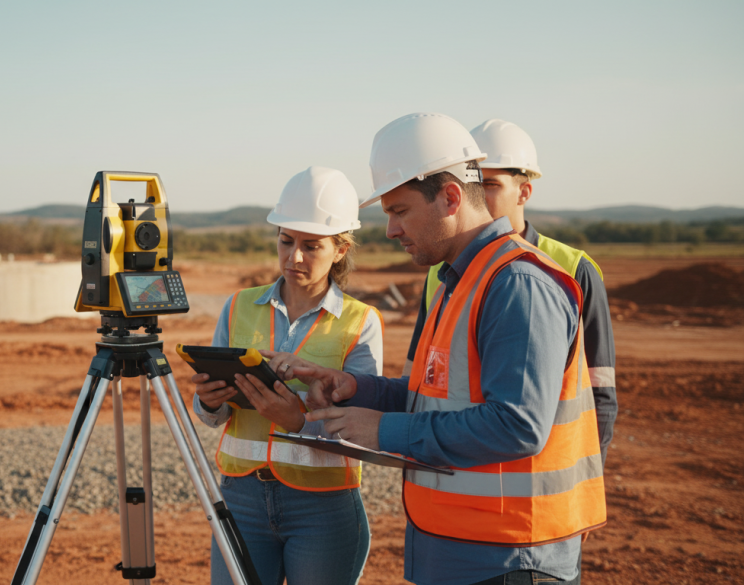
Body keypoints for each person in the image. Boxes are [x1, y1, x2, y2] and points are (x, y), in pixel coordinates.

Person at [295, 113, 606, 585]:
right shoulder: (456, 282)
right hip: (462, 551)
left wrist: (385, 430)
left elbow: (517, 426)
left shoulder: (515, 284)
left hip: (510, 559)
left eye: (399, 211)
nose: (390, 231)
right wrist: (357, 389)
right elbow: (437, 396)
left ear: (451, 197)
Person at [192, 166, 383, 585]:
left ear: (340, 248)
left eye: (311, 246)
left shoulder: (360, 322)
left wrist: (296, 419)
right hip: (241, 499)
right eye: (286, 241)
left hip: (323, 507)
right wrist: (209, 399)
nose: (294, 257)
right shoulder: (238, 306)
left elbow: (364, 432)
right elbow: (211, 417)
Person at [402, 118, 617, 466]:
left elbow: (599, 392)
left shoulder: (570, 267)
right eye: (473, 182)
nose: (479, 196)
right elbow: (422, 381)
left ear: (524, 191)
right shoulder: (441, 274)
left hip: (533, 491)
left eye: (489, 185)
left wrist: (589, 475)